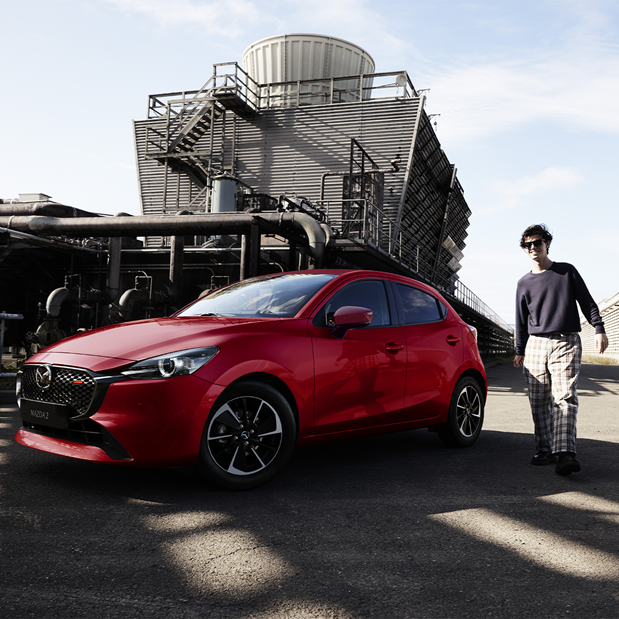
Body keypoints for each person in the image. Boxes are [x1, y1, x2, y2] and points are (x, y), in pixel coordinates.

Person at [513, 224, 608, 475]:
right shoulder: (523, 283)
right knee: (538, 401)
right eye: (527, 244)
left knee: (564, 396)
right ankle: (544, 449)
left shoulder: (566, 271)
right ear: (524, 249)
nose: (533, 247)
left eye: (537, 242)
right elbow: (520, 320)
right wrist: (519, 350)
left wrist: (599, 328)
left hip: (566, 341)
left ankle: (565, 453)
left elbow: (587, 302)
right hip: (535, 344)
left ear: (547, 244)